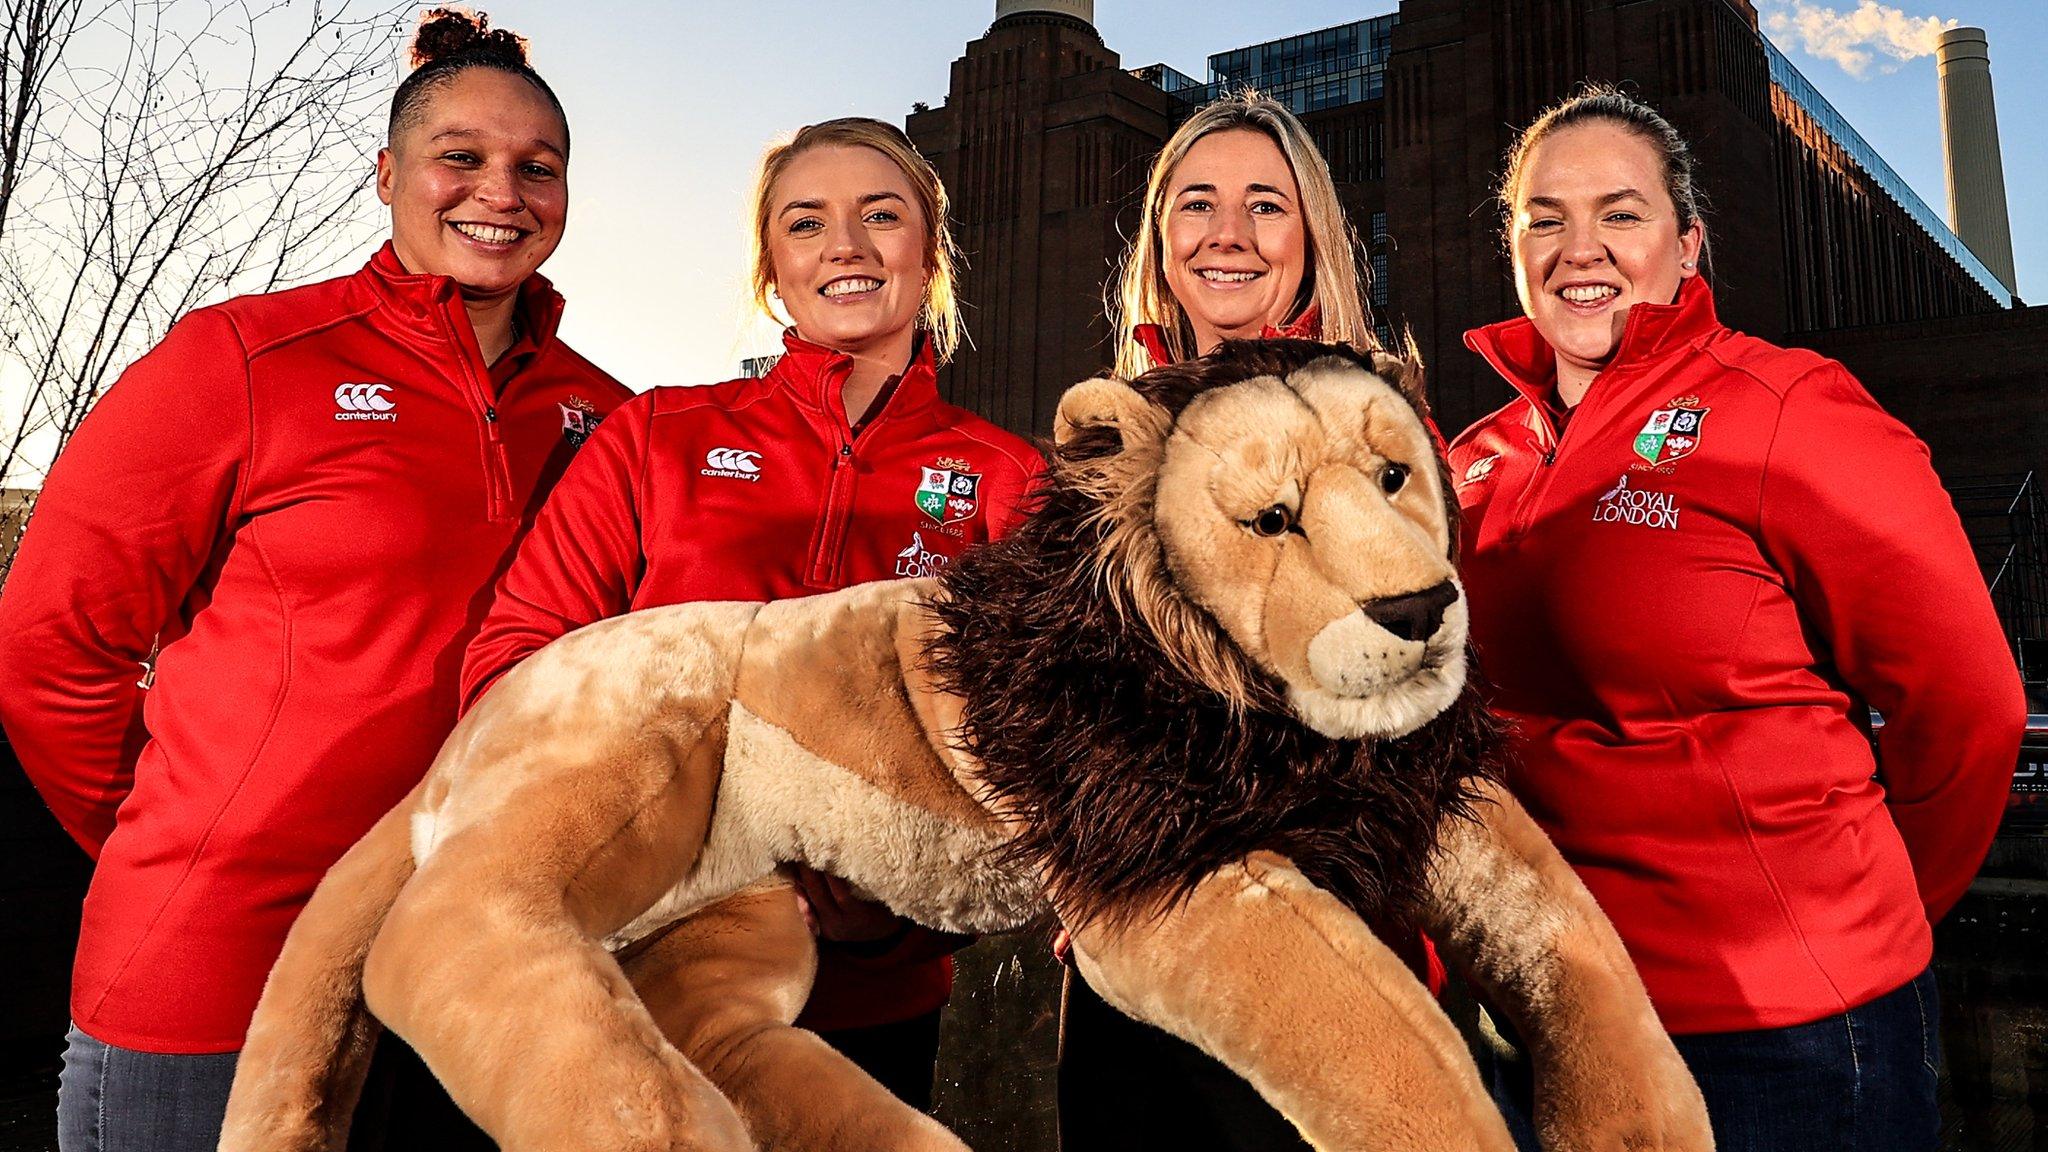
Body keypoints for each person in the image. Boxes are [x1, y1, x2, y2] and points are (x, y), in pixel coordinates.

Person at [0, 10, 628, 1150]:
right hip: (219, 976)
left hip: (469, 989)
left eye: (539, 168)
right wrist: (170, 833)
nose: (502, 190)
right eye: (462, 158)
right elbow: (53, 642)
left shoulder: (609, 417)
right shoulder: (244, 357)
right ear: (388, 174)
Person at [1448, 86, 2023, 1152]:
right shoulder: (1469, 460)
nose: (1580, 247)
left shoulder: (1786, 408)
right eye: (1544, 216)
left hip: (1777, 1037)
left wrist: (1865, 915)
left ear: (1688, 240)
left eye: (1620, 214)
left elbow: (1971, 706)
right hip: (1548, 1013)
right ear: (1510, 246)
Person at [457, 116, 1041, 1130]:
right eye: (806, 223)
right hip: (642, 980)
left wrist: (893, 906)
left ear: (930, 255)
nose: (845, 246)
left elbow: (1044, 750)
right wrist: (660, 840)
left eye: (881, 216)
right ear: (772, 269)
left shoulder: (1007, 479)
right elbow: (514, 667)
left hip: (871, 1014)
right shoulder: (657, 436)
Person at [1063, 91, 1400, 1152]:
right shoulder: (1105, 432)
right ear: (1158, 241)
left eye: (1266, 206)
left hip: (1306, 945)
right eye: (1196, 204)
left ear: (1312, 243)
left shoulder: (1378, 427)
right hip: (1125, 952)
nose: (1227, 235)